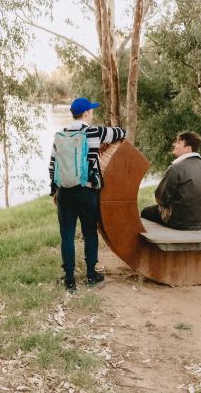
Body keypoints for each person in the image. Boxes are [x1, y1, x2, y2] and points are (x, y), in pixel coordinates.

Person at [49, 97, 126, 290]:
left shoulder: (60, 134)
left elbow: (52, 166)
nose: (92, 114)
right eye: (91, 111)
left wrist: (55, 192)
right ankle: (91, 275)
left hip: (65, 192)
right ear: (85, 114)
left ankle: (69, 280)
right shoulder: (95, 132)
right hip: (87, 192)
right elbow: (122, 133)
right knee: (89, 232)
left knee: (66, 234)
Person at [141, 131, 201, 230]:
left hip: (179, 222)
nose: (174, 144)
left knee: (146, 212)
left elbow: (160, 198)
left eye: (178, 142)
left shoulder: (176, 167)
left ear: (188, 149)